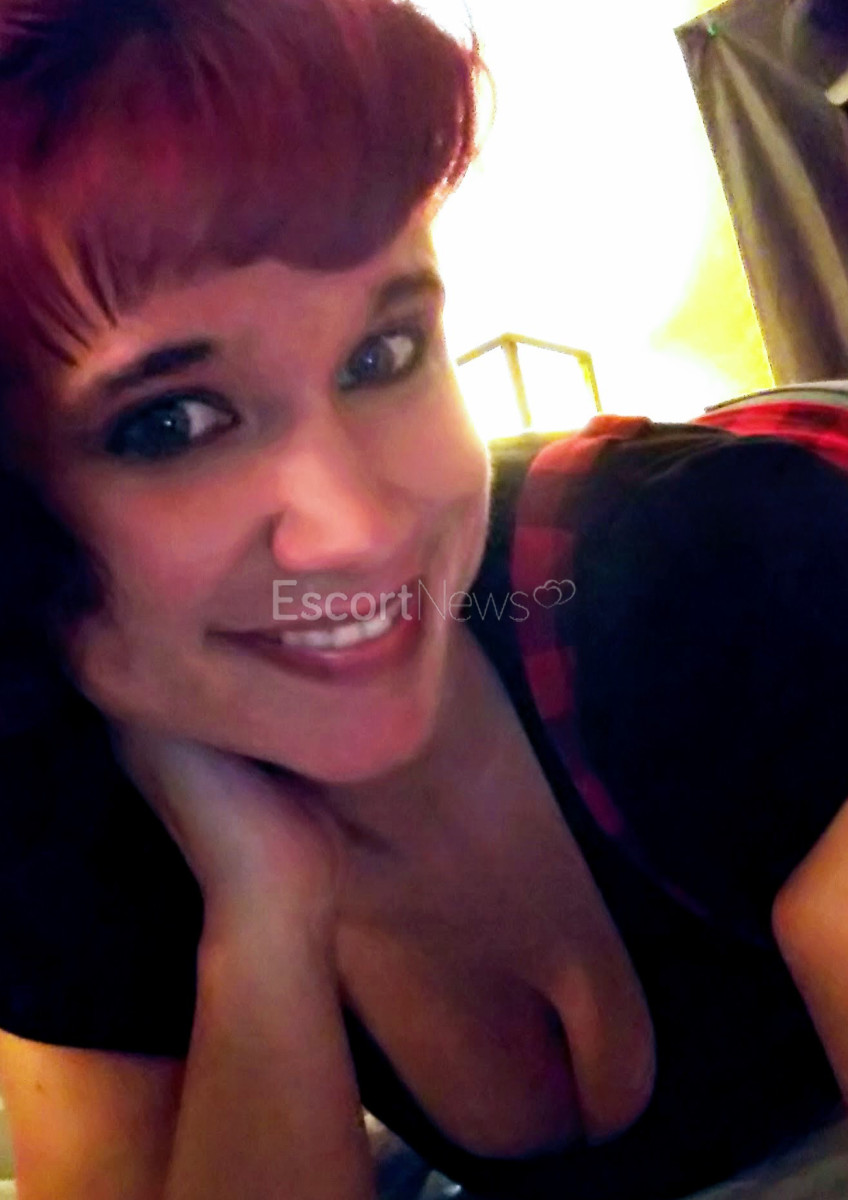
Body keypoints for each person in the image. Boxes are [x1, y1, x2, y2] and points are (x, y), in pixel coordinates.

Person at [0, 2, 847, 1198]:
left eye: (381, 355)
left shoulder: (704, 578)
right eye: (170, 423)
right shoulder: (66, 811)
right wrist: (261, 919)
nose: (355, 527)